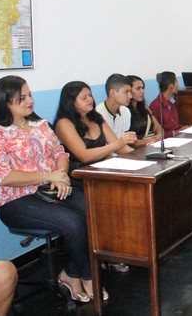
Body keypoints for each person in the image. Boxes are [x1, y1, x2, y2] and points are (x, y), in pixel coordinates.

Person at [0, 76, 103, 302]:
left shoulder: (41, 125)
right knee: (73, 223)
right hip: (16, 201)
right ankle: (88, 277)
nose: (30, 101)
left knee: (93, 210)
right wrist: (49, 175)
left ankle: (71, 274)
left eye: (30, 95)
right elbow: (3, 176)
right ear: (6, 102)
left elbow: (60, 153)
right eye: (22, 98)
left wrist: (61, 175)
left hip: (51, 189)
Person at [54, 81, 135, 275]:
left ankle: (116, 250)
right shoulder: (64, 123)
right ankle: (97, 257)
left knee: (128, 196)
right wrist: (117, 145)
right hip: (78, 179)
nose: (89, 100)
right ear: (71, 102)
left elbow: (121, 147)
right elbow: (84, 155)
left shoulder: (96, 118)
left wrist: (146, 155)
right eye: (84, 97)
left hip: (101, 174)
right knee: (101, 206)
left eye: (90, 95)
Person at [127, 75, 162, 147]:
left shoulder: (145, 108)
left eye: (142, 88)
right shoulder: (124, 112)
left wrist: (159, 136)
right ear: (128, 91)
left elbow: (158, 128)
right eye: (138, 88)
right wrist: (151, 140)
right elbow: (129, 142)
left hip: (151, 145)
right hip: (136, 150)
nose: (142, 91)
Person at [149, 71, 183, 138]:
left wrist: (186, 128)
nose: (178, 85)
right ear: (171, 86)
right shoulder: (155, 105)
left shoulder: (172, 102)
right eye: (177, 82)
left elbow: (176, 125)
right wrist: (175, 133)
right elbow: (156, 133)